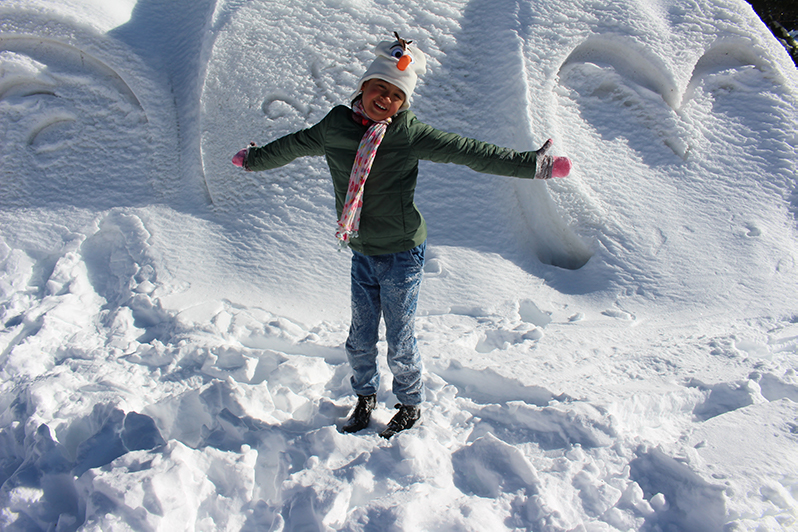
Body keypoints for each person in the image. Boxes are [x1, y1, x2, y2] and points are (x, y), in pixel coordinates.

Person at [232, 33, 571, 439]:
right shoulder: (335, 126)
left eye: (396, 95)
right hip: (361, 249)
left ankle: (409, 404)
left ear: (402, 103)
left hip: (402, 253)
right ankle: (365, 398)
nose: (386, 99)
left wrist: (532, 165)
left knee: (399, 337)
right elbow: (293, 145)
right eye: (380, 88)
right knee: (359, 337)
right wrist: (254, 159)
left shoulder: (406, 133)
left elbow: (469, 151)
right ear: (364, 87)